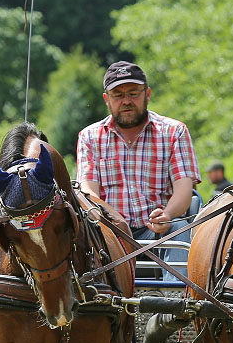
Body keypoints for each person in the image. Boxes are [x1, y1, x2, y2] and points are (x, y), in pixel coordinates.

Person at [77, 61, 201, 241]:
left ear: (147, 95)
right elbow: (88, 192)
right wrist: (109, 217)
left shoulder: (174, 131)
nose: (126, 101)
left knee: (180, 228)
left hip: (161, 231)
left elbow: (184, 189)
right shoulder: (89, 137)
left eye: (133, 94)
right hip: (110, 232)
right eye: (118, 95)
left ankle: (177, 271)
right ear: (107, 100)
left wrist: (167, 215)